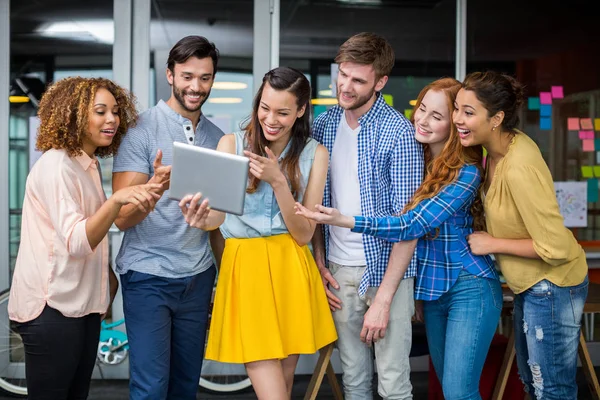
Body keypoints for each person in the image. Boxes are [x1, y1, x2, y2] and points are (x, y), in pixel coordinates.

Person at [297, 77, 502, 400]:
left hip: (470, 285)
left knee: (458, 391)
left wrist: (344, 219)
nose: (422, 119)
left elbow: (411, 226)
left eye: (437, 116)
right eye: (422, 109)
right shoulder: (418, 158)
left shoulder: (467, 172)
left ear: (455, 124)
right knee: (442, 386)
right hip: (434, 290)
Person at [8, 76, 160, 400]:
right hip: (52, 309)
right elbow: (77, 240)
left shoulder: (86, 165)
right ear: (74, 114)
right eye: (100, 111)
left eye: (116, 112)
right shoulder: (57, 165)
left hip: (81, 307)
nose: (112, 120)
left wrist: (105, 281)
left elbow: (87, 230)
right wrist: (117, 200)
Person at [196, 67, 337, 399]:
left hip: (291, 265)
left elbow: (304, 233)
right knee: (273, 391)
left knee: (284, 384)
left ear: (301, 110)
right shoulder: (230, 144)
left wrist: (278, 182)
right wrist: (198, 218)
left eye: (283, 112)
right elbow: (214, 218)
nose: (270, 119)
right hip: (246, 270)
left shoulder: (315, 154)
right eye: (265, 108)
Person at [455, 71, 589, 399]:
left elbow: (555, 246)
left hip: (553, 285)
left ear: (497, 118)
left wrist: (491, 243)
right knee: (533, 386)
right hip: (531, 285)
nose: (458, 119)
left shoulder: (519, 167)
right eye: (457, 108)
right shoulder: (496, 150)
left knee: (551, 391)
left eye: (468, 113)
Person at [311, 32, 423, 399]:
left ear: (381, 81)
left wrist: (385, 299)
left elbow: (408, 227)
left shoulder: (399, 133)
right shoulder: (323, 125)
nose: (345, 85)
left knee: (393, 384)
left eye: (358, 79)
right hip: (339, 273)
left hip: (386, 273)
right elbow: (314, 205)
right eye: (342, 74)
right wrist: (320, 262)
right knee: (355, 381)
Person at [111, 36, 224, 399]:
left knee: (185, 385)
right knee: (151, 387)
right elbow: (122, 219)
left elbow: (218, 222)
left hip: (198, 276)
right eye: (187, 76)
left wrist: (224, 274)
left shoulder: (218, 138)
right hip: (148, 276)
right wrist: (156, 186)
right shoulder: (140, 130)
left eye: (205, 77)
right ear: (170, 75)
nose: (196, 86)